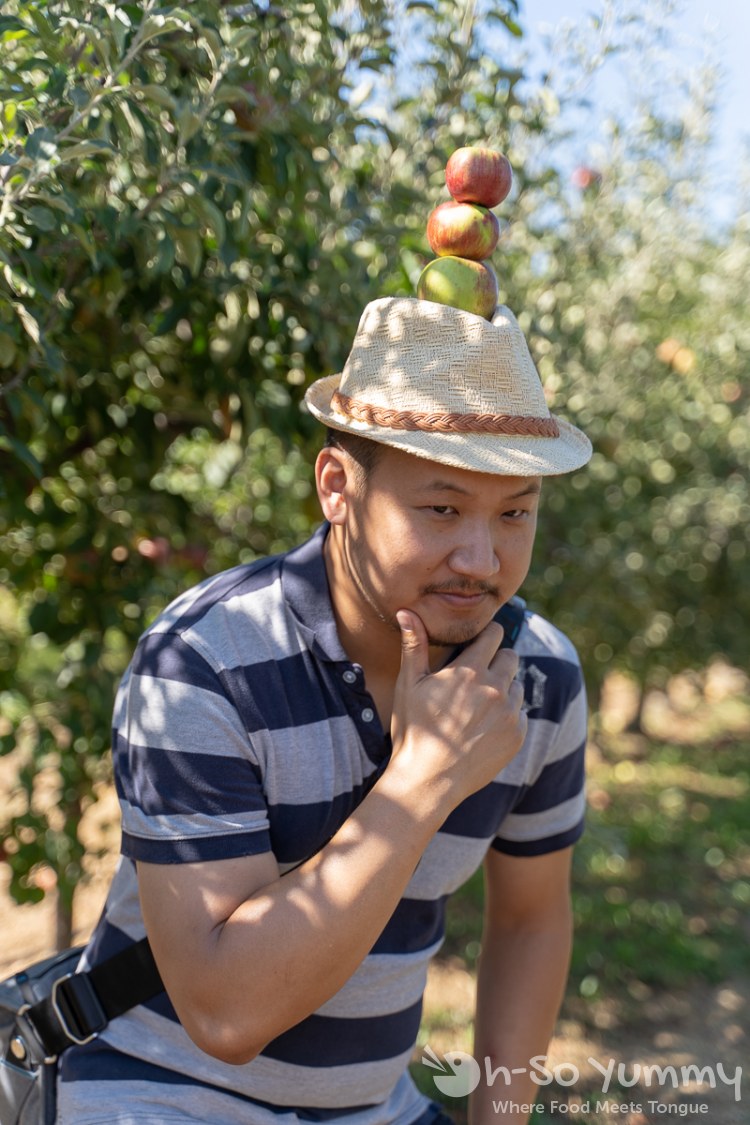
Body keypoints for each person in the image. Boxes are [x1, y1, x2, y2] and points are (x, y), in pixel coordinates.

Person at [57, 296, 592, 1125]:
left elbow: (531, 921)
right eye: (442, 509)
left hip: (372, 1105)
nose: (481, 559)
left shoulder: (539, 679)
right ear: (338, 486)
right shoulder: (204, 663)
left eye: (514, 511)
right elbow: (225, 1014)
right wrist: (420, 783)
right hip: (160, 1091)